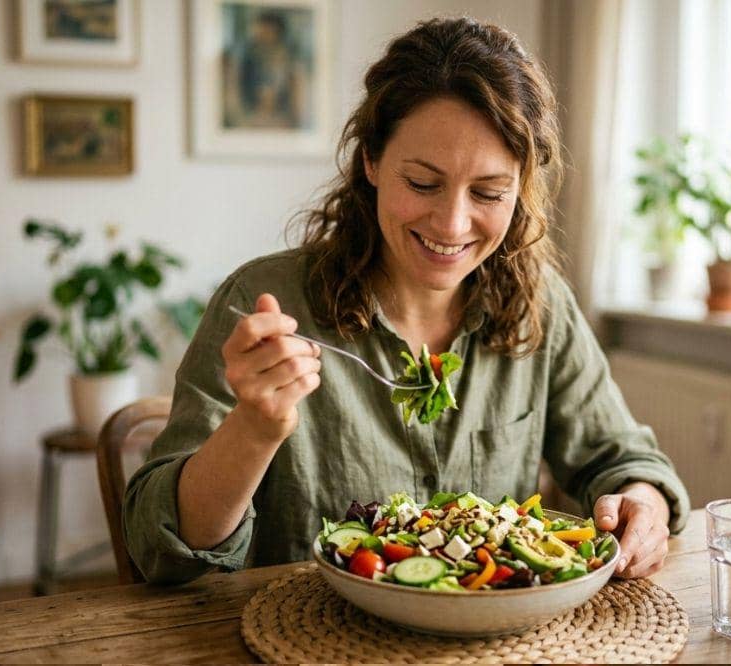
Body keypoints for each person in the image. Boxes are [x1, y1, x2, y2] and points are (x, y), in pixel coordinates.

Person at [124, 16, 690, 584]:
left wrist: (641, 505)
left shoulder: (540, 304)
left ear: (520, 187)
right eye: (422, 183)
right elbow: (157, 546)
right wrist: (254, 428)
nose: (452, 223)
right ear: (371, 160)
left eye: (489, 192)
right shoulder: (262, 302)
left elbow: (622, 460)